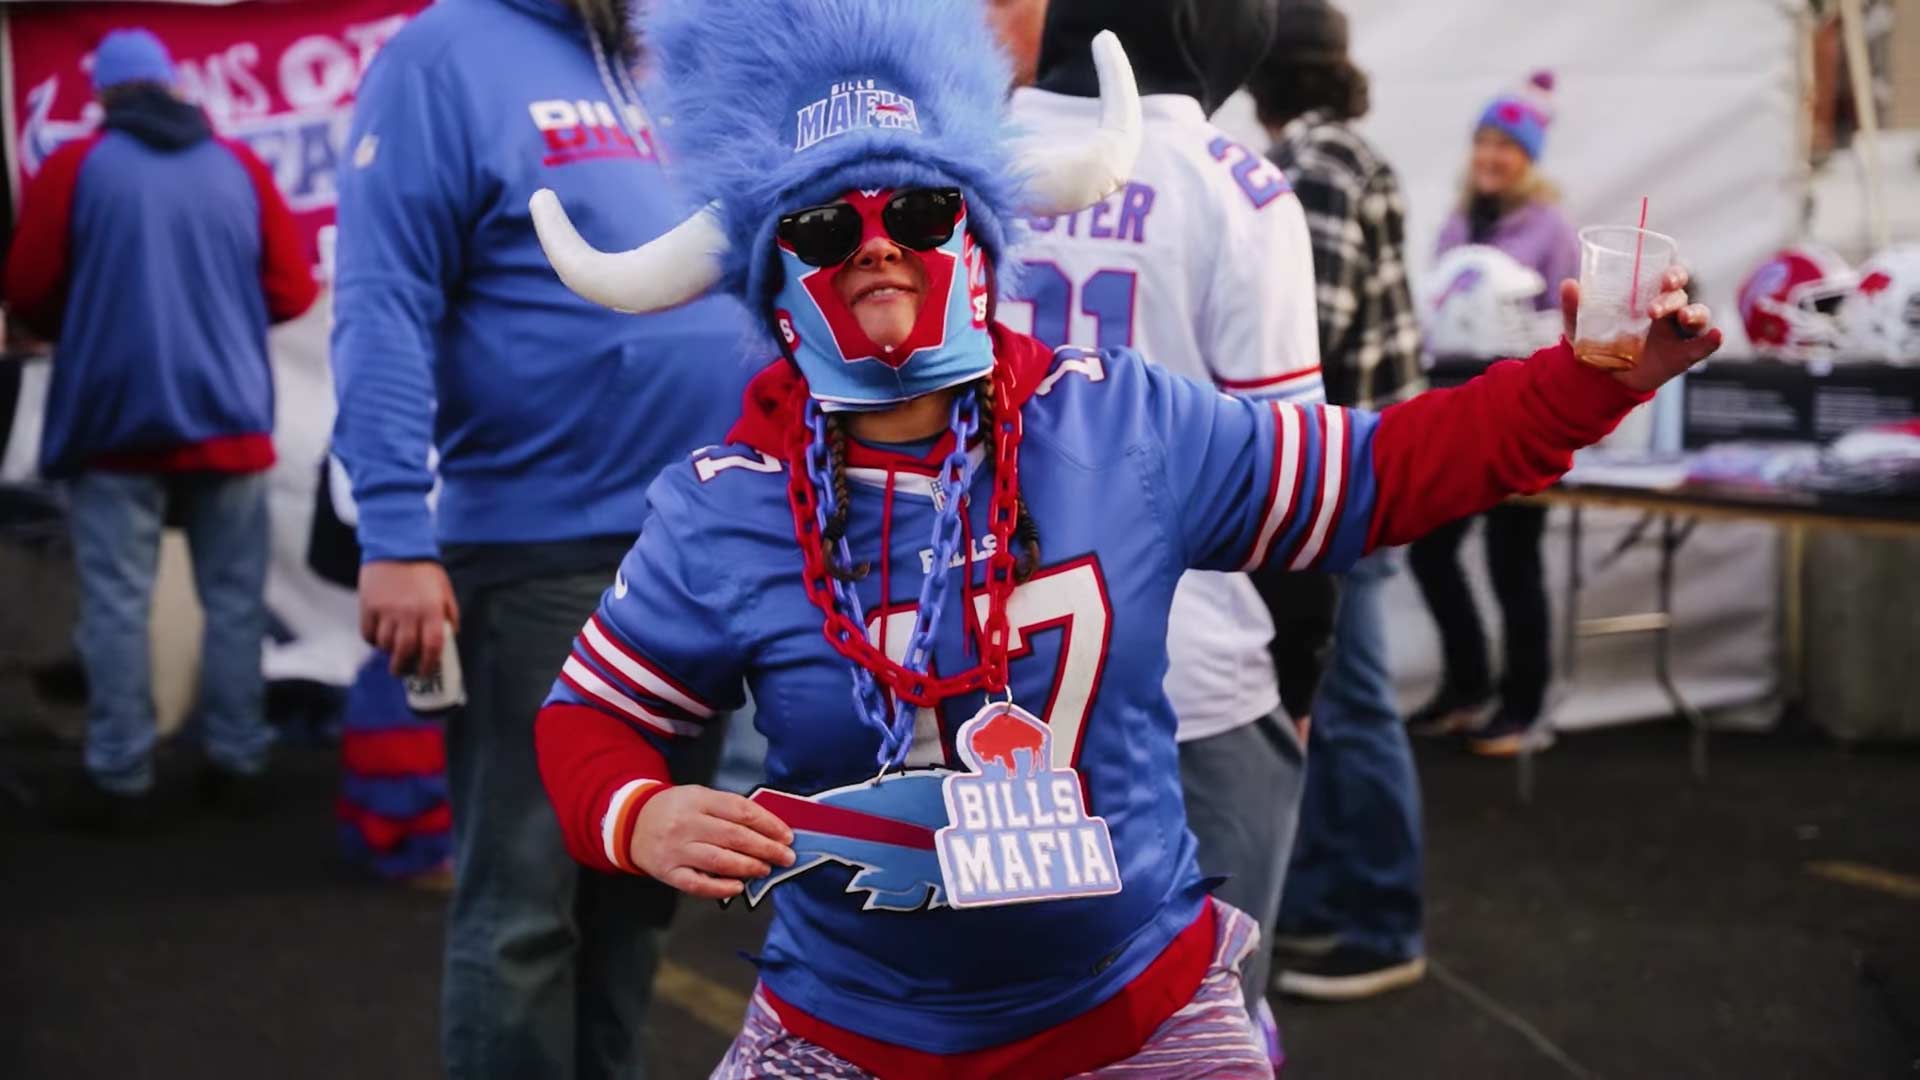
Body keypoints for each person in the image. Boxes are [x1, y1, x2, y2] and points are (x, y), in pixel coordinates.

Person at [528, 0, 1720, 1075]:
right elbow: (591, 716)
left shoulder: (1117, 418)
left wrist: (1592, 379)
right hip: (845, 1034)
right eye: (828, 224)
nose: (879, 241)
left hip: (1136, 1016)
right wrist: (640, 812)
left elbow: (1380, 471)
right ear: (773, 277)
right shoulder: (732, 497)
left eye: (924, 206)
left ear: (978, 241)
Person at [329, 0, 752, 1074]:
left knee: (638, 890)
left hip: (695, 557)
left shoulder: (679, 48)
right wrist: (393, 530)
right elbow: (383, 298)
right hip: (538, 556)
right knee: (525, 909)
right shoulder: (442, 53)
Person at [1011, 0, 1331, 1048]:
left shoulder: (939, 158)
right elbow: (1287, 477)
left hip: (974, 670)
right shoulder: (1232, 187)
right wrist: (1303, 672)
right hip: (1191, 674)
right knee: (1200, 1032)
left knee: (993, 1027)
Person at [1, 28, 317, 827]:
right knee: (236, 599)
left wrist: (86, 316)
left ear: (105, 95)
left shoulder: (73, 167)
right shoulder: (238, 166)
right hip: (229, 421)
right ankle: (238, 761)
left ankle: (121, 774)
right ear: (174, 86)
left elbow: (27, 289)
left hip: (114, 424)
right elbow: (290, 289)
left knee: (115, 602)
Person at [1250, 0, 1434, 1003]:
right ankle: (1334, 908)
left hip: (1340, 481)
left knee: (1347, 708)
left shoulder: (1309, 168)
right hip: (1375, 469)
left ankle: (1377, 921)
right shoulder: (1354, 153)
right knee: (1334, 702)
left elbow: (1296, 352)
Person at [1406, 70, 1581, 757]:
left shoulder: (1551, 230)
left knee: (1514, 561)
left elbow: (1568, 325)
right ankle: (1469, 682)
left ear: (1528, 158)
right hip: (1457, 408)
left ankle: (1524, 704)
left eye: (1506, 145)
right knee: (1433, 549)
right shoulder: (1455, 222)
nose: (1491, 156)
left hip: (1523, 414)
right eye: (1483, 141)